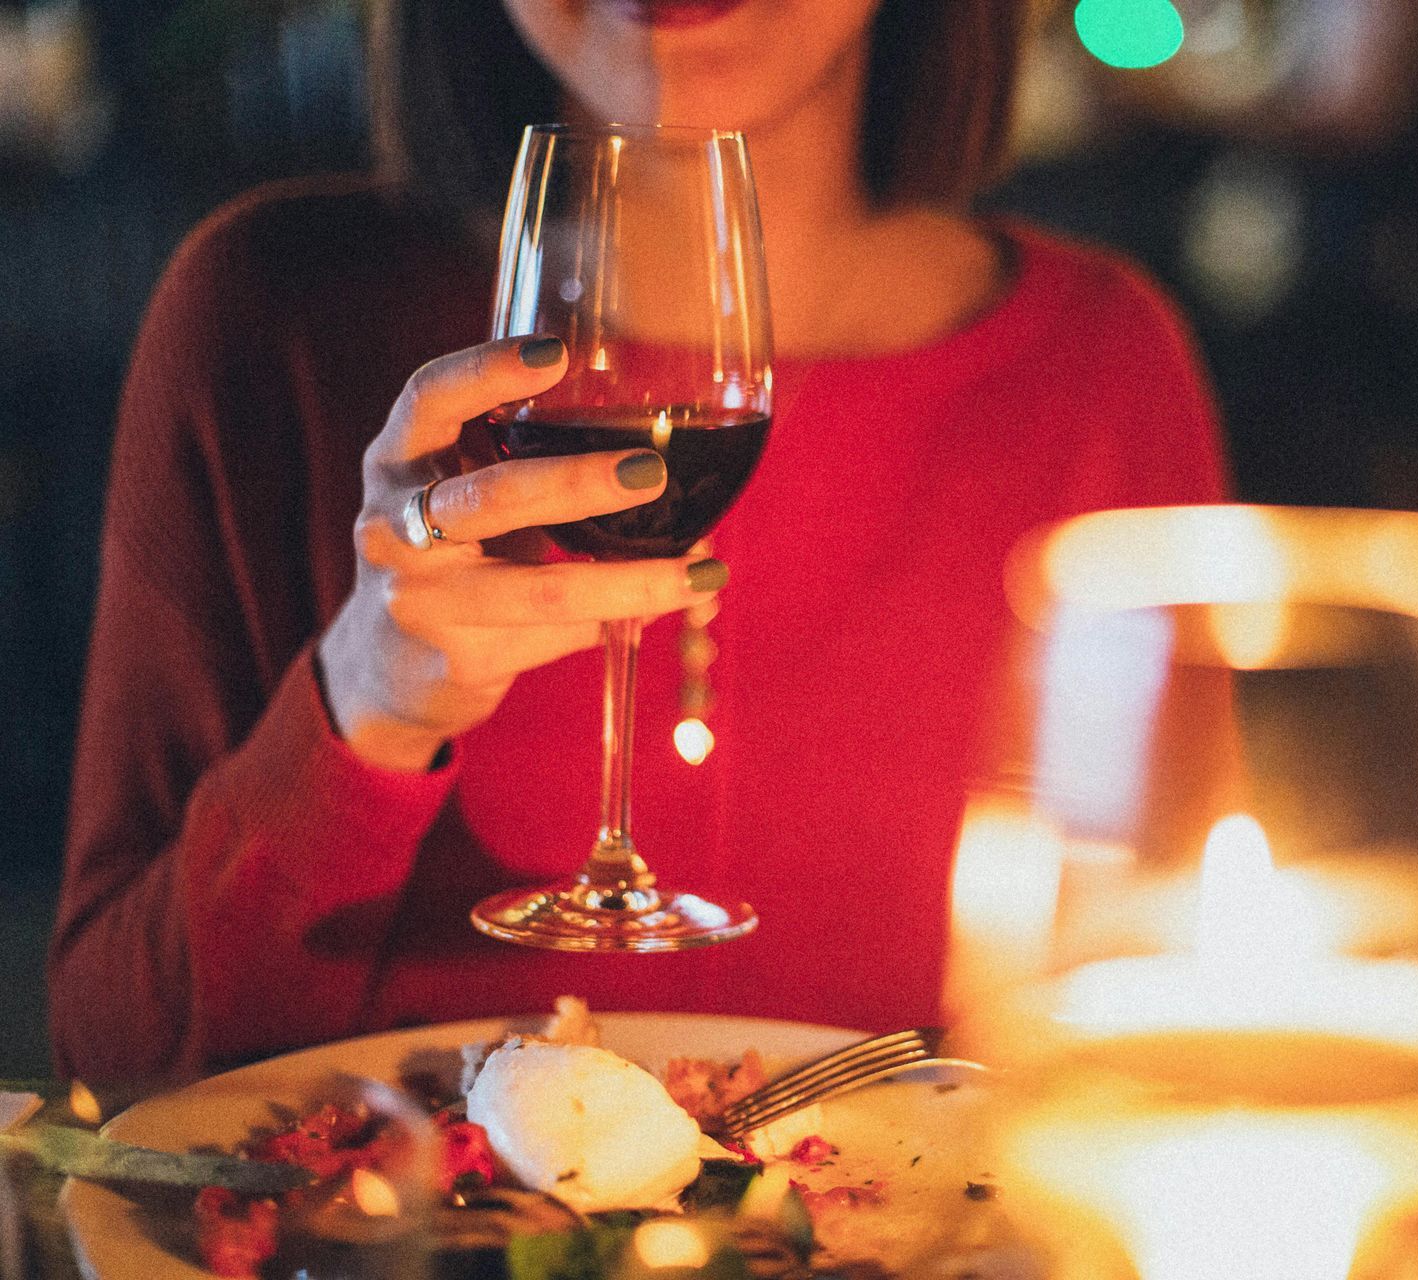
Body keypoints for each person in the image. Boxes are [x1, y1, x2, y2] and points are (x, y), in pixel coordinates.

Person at [50, 0, 1228, 1082]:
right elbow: (118, 1060)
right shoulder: (267, 316)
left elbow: (1167, 1050)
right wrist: (360, 712)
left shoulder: (1101, 371)